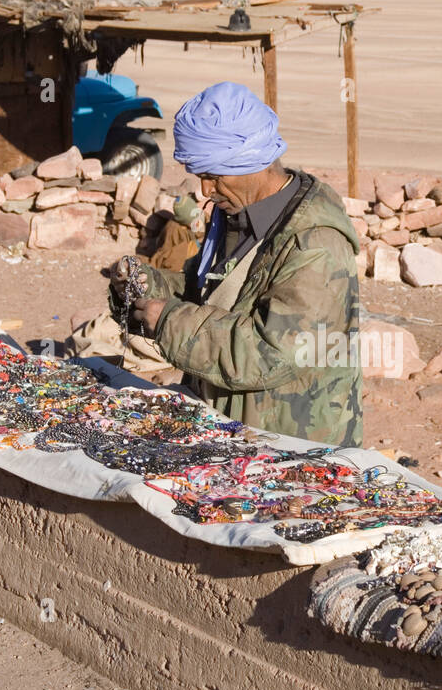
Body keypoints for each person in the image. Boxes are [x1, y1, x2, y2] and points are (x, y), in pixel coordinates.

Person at [100, 81, 362, 448]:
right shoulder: (234, 214)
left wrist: (169, 320)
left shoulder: (315, 243)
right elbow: (207, 295)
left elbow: (272, 353)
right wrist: (146, 287)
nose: (205, 190)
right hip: (229, 426)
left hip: (291, 444)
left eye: (212, 175)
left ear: (249, 161)